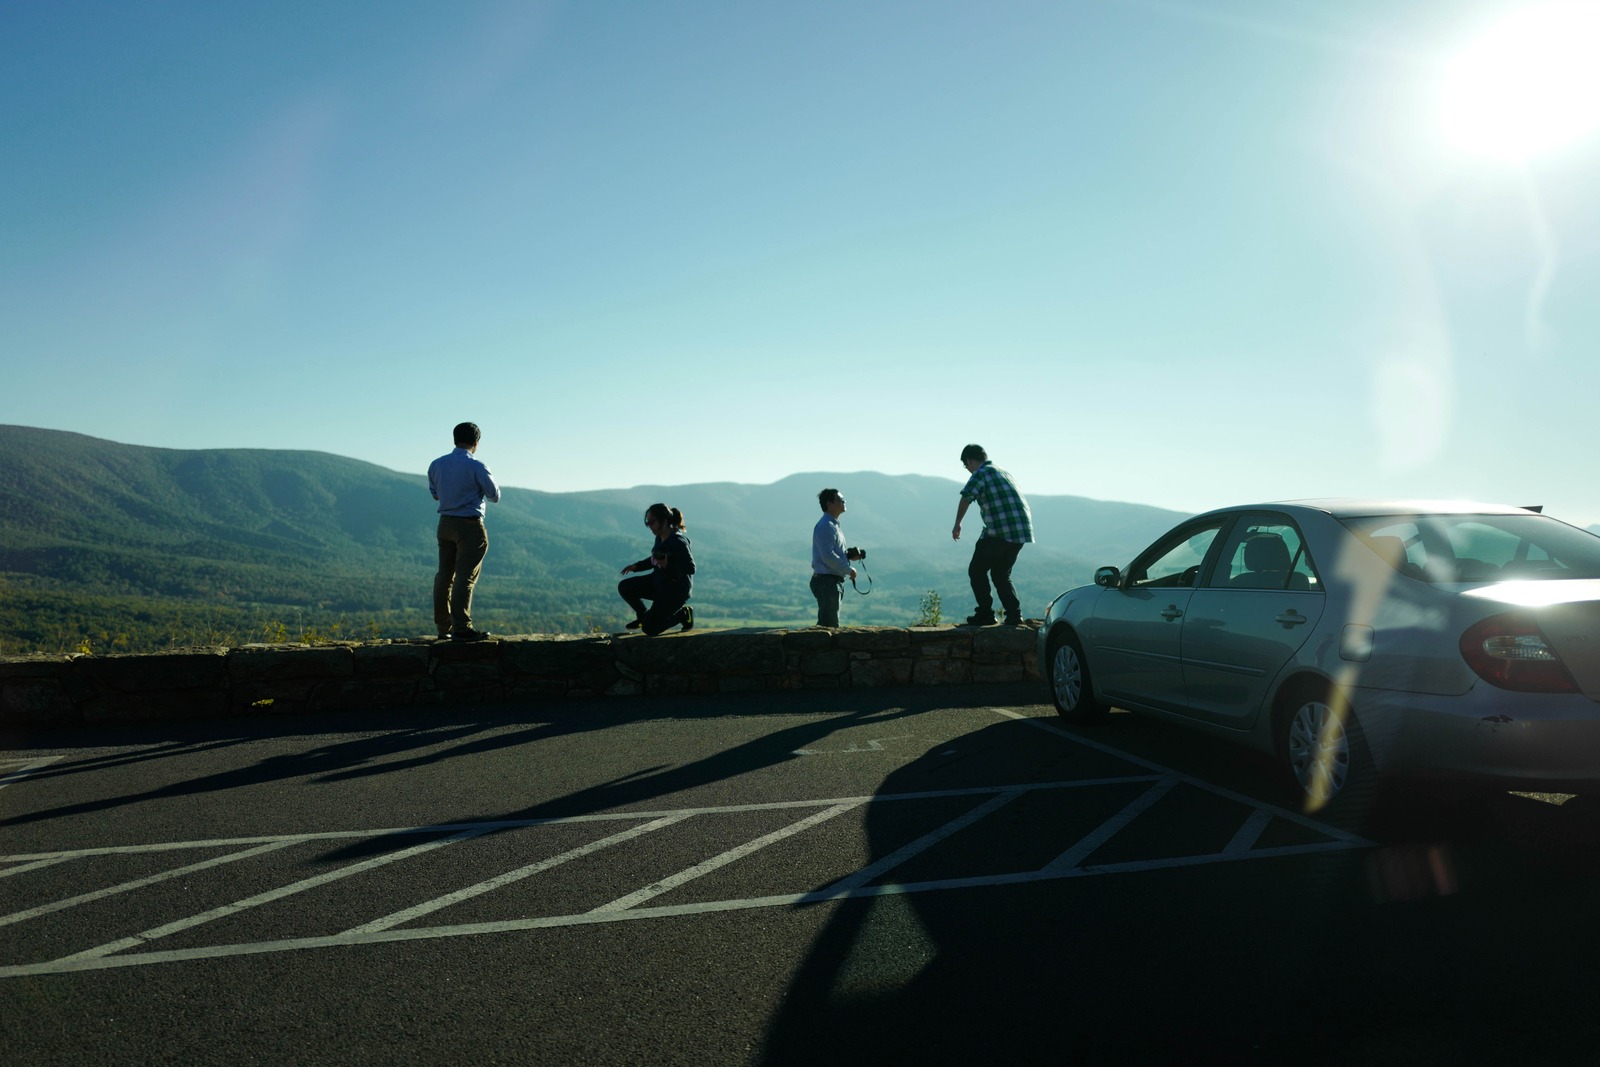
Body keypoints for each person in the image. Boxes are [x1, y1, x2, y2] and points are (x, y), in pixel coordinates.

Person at [428, 422, 500, 641]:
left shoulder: (436, 464)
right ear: (476, 442)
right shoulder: (477, 466)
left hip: (445, 523)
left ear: (455, 439)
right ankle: (462, 628)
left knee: (444, 575)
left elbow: (435, 494)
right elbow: (494, 495)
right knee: (465, 577)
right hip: (469, 525)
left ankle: (444, 627)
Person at [952, 444, 1034, 626]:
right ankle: (1014, 615)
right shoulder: (1003, 472)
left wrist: (957, 524)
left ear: (970, 461)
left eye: (966, 466)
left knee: (976, 570)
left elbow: (966, 497)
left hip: (1000, 531)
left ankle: (985, 614)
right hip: (1021, 531)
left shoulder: (981, 473)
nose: (968, 470)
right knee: (1000, 574)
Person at [617, 503, 696, 635]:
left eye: (652, 522)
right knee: (625, 587)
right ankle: (643, 617)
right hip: (659, 583)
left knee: (650, 629)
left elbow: (691, 568)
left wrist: (667, 565)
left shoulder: (678, 541)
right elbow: (655, 559)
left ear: (664, 521)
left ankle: (683, 614)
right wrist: (636, 566)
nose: (649, 526)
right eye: (647, 523)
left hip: (675, 591)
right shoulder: (659, 538)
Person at [811, 488, 859, 628]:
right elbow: (827, 556)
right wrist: (848, 569)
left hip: (830, 581)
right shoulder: (827, 526)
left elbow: (830, 553)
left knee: (827, 625)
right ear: (829, 504)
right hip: (827, 582)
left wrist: (847, 556)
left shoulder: (833, 525)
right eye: (840, 499)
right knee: (829, 627)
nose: (844, 501)